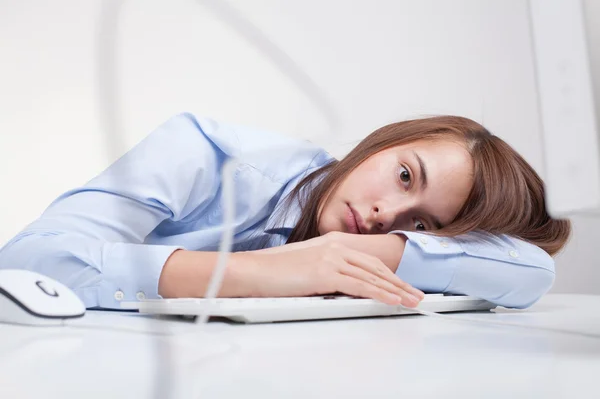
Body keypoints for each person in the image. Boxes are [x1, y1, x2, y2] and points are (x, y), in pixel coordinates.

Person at [0, 113, 571, 310]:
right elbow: (26, 261)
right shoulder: (206, 151)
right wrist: (254, 274)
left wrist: (350, 254)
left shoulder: (370, 239)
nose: (384, 214)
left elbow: (531, 271)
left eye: (421, 225)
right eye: (404, 175)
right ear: (384, 142)